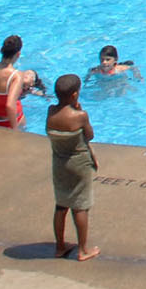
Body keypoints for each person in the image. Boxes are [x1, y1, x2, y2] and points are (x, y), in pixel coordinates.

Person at [46, 72, 99, 261]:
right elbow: (89, 135)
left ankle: (60, 246)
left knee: (61, 205)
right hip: (79, 164)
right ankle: (82, 250)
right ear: (75, 95)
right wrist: (79, 109)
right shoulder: (80, 116)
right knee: (80, 206)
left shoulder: (51, 112)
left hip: (59, 164)